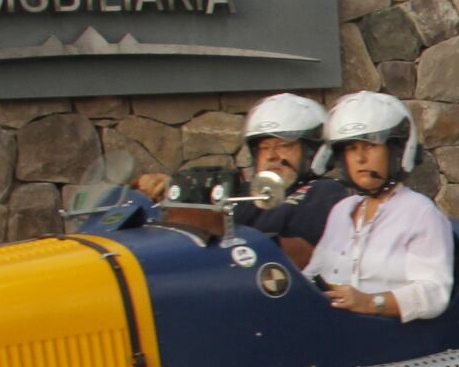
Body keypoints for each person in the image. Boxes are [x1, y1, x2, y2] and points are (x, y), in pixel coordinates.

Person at [136, 92, 351, 256]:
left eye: (284, 146)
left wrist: (218, 229)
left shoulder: (325, 191)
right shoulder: (244, 191)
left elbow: (304, 253)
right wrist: (173, 192)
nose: (272, 156)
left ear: (314, 152)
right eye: (265, 148)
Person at [303, 91, 453, 322]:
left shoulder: (419, 211)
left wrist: (371, 302)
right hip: (331, 326)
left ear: (395, 151)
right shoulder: (342, 210)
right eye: (351, 148)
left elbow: (435, 294)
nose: (360, 158)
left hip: (388, 339)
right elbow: (314, 273)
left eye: (371, 145)